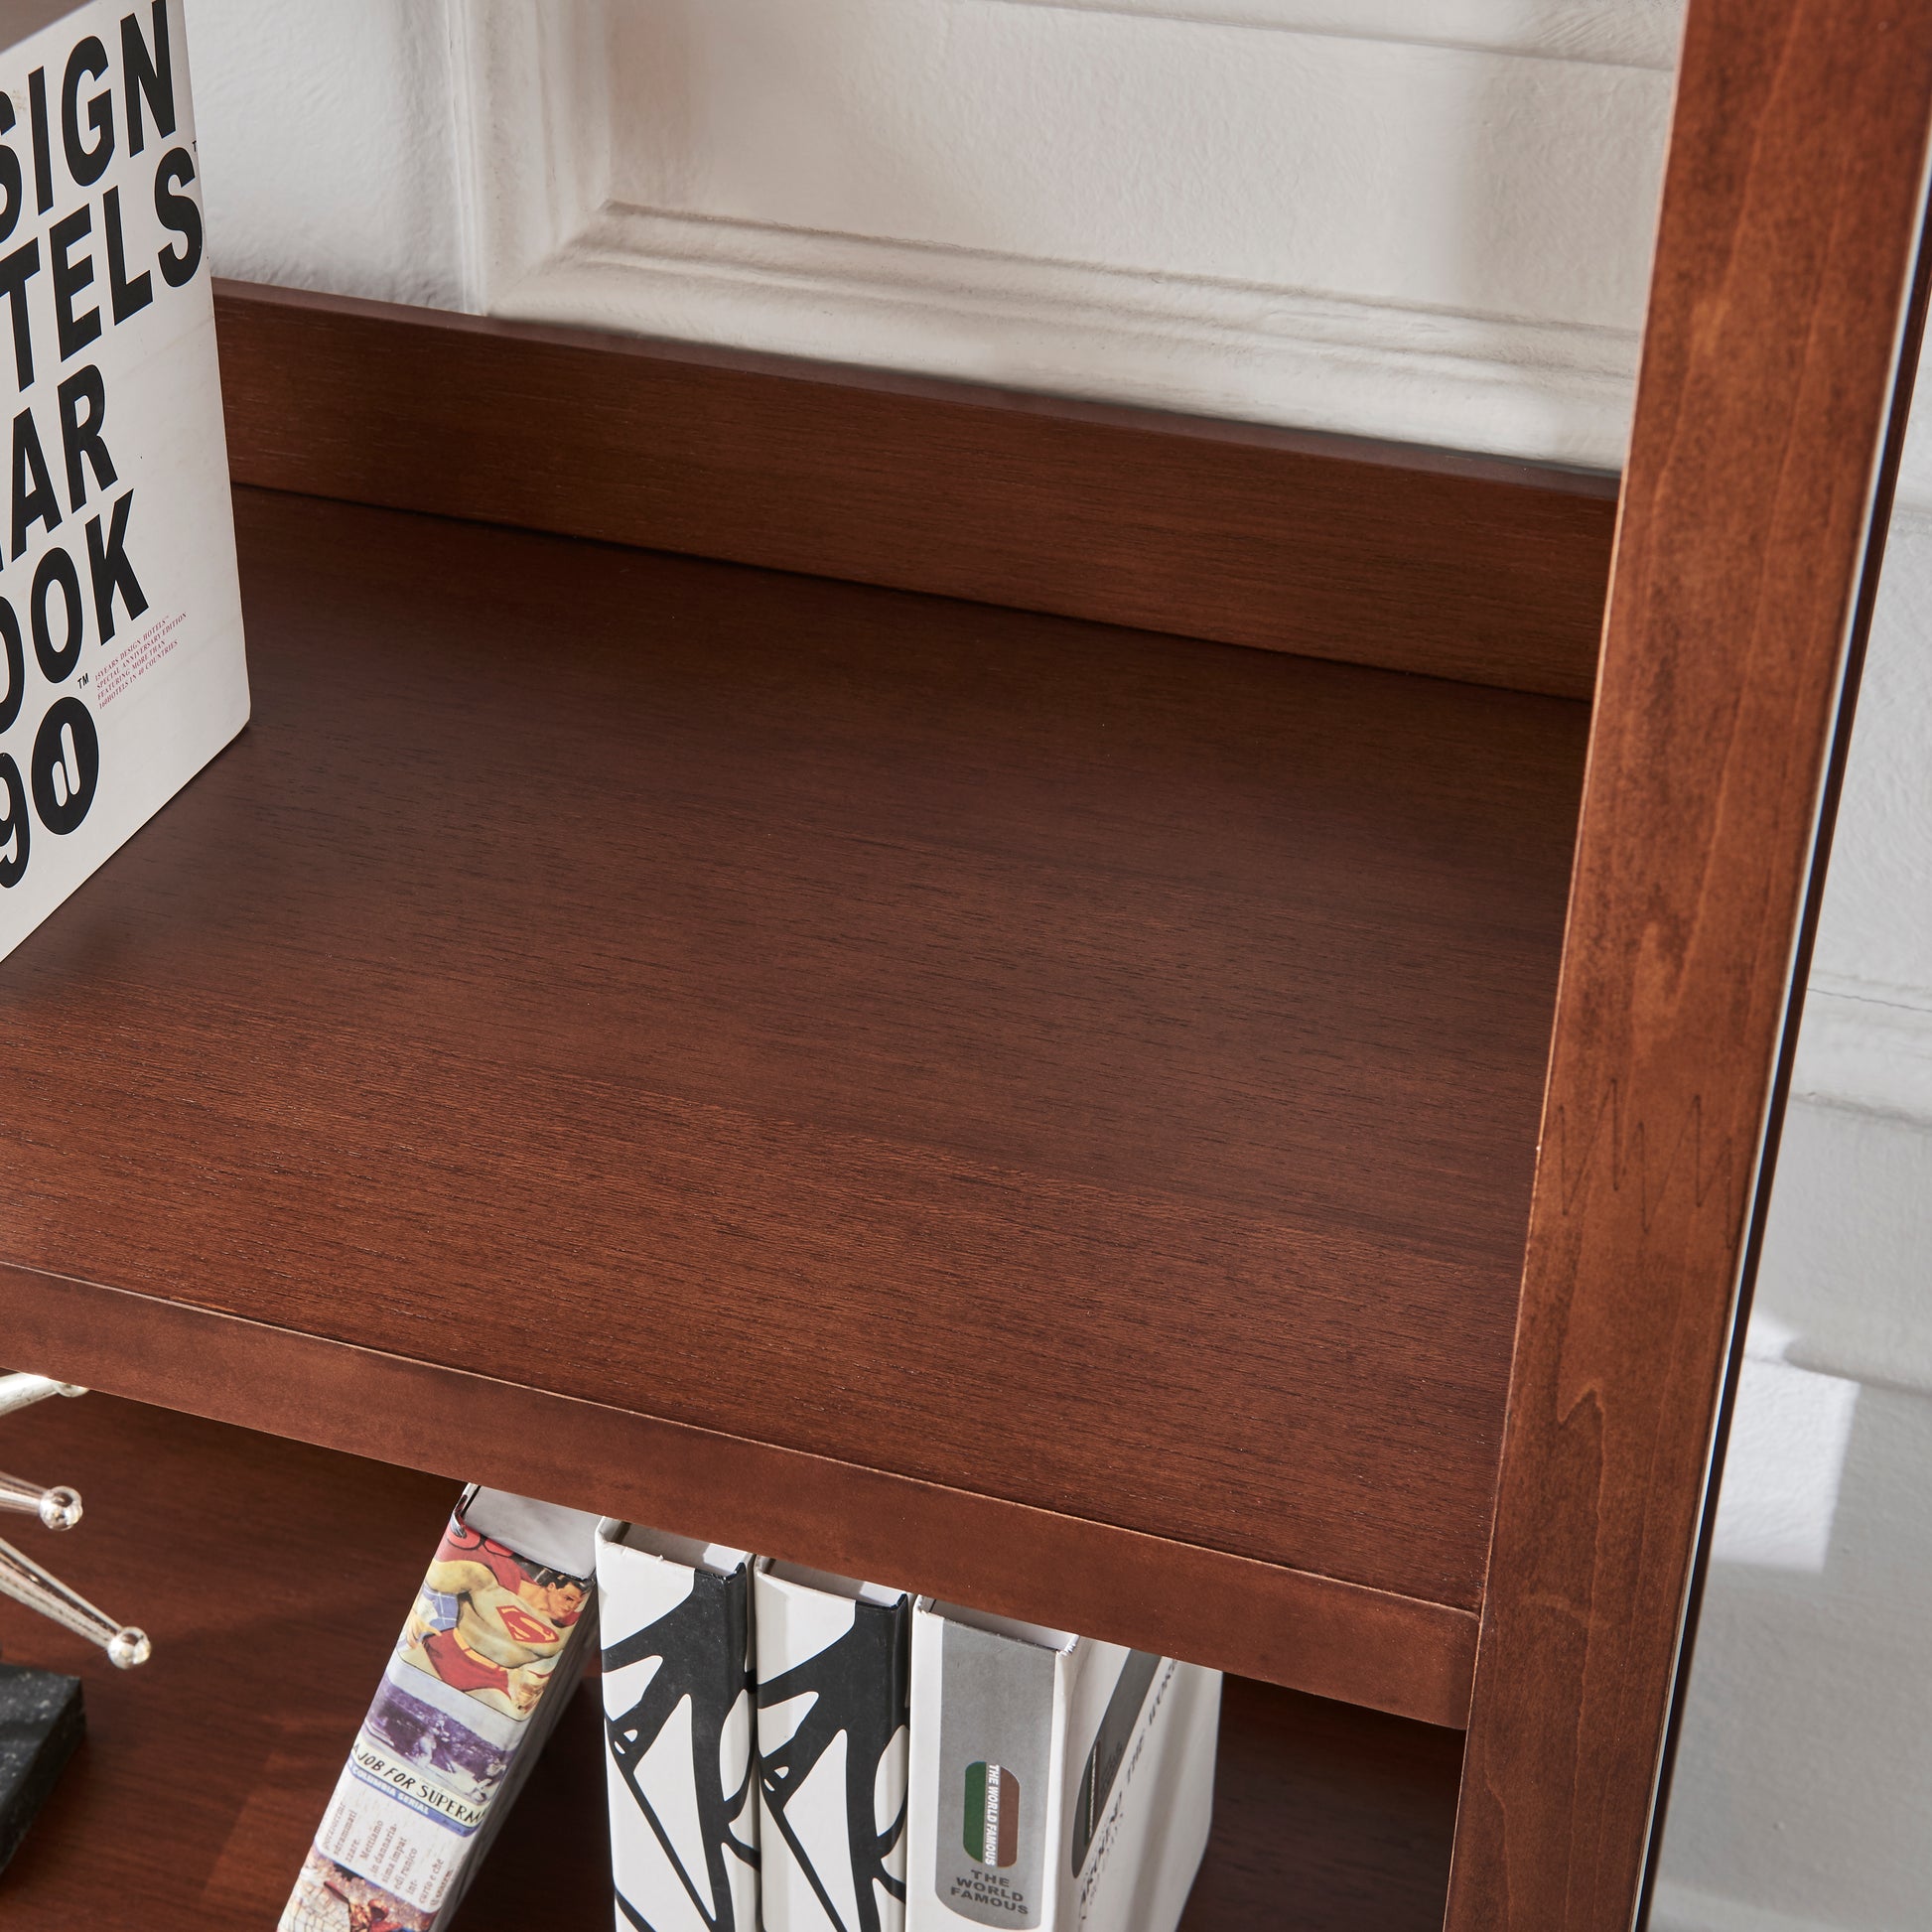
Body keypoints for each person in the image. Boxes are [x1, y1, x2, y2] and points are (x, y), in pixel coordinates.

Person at [399, 1529, 586, 1721]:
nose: (569, 1606)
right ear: (552, 1587)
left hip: (496, 1686)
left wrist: (525, 1683)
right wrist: (421, 1610)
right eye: (568, 1598)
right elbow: (440, 1577)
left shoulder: (564, 1629)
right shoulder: (494, 1577)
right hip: (440, 1652)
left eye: (575, 1603)